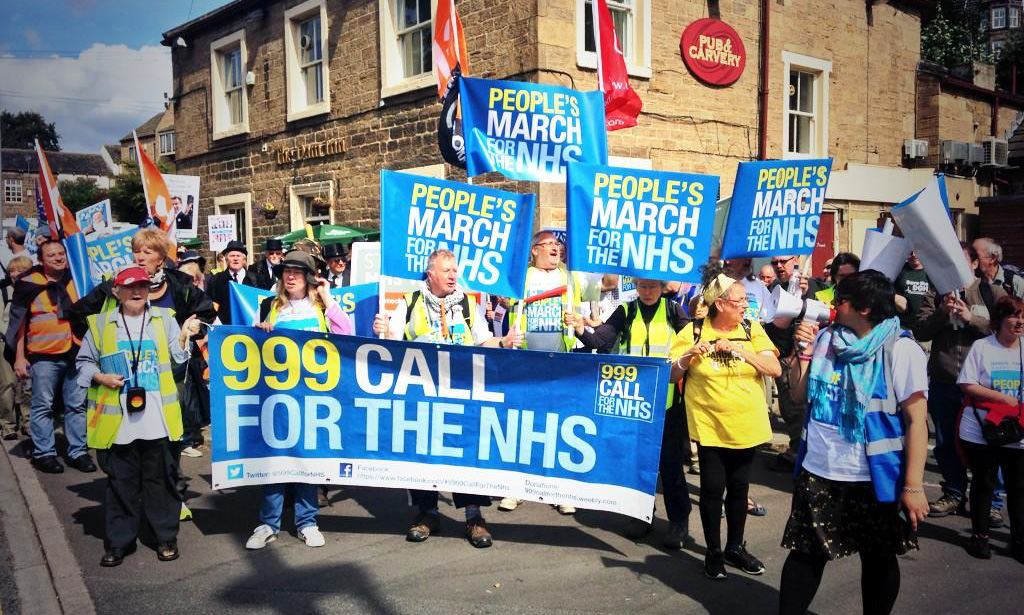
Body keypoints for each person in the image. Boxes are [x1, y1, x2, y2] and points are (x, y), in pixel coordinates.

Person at [778, 270, 929, 615]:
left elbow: (917, 421)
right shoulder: (827, 337)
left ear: (863, 308)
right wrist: (802, 351)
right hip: (819, 470)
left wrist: (913, 486)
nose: (832, 303)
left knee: (878, 559)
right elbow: (800, 396)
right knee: (804, 555)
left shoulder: (901, 350)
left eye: (840, 298)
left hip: (872, 478)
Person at [373, 249, 522, 548]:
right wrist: (382, 331)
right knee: (423, 455)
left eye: (455, 270)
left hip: (462, 393)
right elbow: (392, 343)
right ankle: (427, 514)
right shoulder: (409, 302)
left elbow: (484, 341)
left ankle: (474, 517)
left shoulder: (467, 303)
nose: (454, 275)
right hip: (422, 393)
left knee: (465, 453)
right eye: (447, 270)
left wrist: (503, 341)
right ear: (431, 274)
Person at [77, 265, 198, 566]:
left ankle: (165, 538)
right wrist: (101, 377)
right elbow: (82, 364)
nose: (136, 292)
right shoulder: (100, 324)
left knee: (161, 484)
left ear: (149, 290)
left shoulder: (164, 319)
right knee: (121, 485)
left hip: (157, 419)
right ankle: (120, 543)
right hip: (118, 422)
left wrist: (184, 336)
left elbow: (178, 357)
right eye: (130, 287)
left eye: (142, 287)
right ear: (116, 292)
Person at [669, 272, 781, 579]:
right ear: (720, 303)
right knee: (712, 490)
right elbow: (671, 375)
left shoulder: (751, 328)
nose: (746, 304)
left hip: (747, 425)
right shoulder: (693, 330)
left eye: (746, 299)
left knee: (739, 490)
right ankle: (714, 552)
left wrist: (740, 351)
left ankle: (735, 548)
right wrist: (690, 354)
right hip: (711, 426)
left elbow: (774, 368)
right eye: (740, 300)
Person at [567, 278, 691, 548]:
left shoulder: (673, 311)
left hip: (667, 403)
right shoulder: (627, 310)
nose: (647, 292)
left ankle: (679, 522)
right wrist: (579, 329)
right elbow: (601, 340)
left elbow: (691, 343)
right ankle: (642, 516)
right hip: (634, 403)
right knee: (639, 464)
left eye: (652, 287)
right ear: (636, 286)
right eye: (643, 287)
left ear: (661, 288)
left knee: (670, 468)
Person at [245, 250, 353, 550]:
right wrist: (260, 333)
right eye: (285, 271)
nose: (290, 276)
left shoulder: (320, 307)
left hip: (313, 398)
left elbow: (346, 333)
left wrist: (327, 297)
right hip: (277, 399)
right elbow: (248, 349)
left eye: (297, 271)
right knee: (275, 463)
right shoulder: (268, 306)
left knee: (307, 461)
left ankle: (307, 522)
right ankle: (268, 523)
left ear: (308, 277)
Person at [913, 243, 1004, 522]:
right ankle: (954, 492)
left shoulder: (992, 292)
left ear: (975, 264)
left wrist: (971, 318)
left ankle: (993, 500)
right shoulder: (936, 293)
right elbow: (921, 329)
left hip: (982, 385)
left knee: (989, 443)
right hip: (945, 380)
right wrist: (942, 312)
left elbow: (1007, 332)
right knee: (945, 443)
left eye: (962, 261)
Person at [500, 231, 587, 514]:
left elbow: (608, 285)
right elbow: (502, 299)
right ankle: (517, 488)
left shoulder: (571, 277)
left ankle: (564, 491)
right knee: (523, 425)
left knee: (562, 426)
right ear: (535, 250)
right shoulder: (520, 276)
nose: (556, 248)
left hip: (562, 362)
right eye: (549, 244)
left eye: (557, 245)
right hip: (525, 362)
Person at [5, 241, 94, 474]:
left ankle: (78, 451)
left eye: (61, 253)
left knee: (76, 405)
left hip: (76, 353)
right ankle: (44, 453)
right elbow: (19, 324)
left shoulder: (78, 279)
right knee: (42, 406)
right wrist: (19, 357)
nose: (58, 258)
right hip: (43, 356)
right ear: (41, 260)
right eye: (52, 255)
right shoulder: (29, 284)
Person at [956, 295, 1024, 562]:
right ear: (999, 320)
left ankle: (1019, 541)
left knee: (1019, 486)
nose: (1019, 322)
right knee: (984, 483)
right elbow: (967, 384)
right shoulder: (982, 347)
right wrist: (1003, 399)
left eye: (1022, 316)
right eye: (1013, 316)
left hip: (1017, 430)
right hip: (982, 428)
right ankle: (980, 537)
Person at [764, 254, 828, 471]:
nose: (779, 266)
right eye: (775, 263)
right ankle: (796, 450)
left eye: (783, 261)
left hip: (810, 360)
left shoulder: (817, 287)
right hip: (783, 359)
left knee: (802, 409)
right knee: (789, 409)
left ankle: (803, 455)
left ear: (797, 261)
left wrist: (805, 292)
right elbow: (771, 325)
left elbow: (827, 317)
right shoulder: (775, 289)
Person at [0, 256, 33, 440]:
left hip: (30, 344)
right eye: (11, 271)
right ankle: (7, 424)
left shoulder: (34, 292)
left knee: (27, 385)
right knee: (8, 384)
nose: (14, 274)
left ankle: (28, 422)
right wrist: (14, 338)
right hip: (5, 344)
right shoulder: (4, 292)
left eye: (19, 270)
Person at [208, 240, 257, 324]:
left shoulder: (255, 279)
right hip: (225, 326)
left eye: (238, 256)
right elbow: (211, 304)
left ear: (244, 259)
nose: (235, 259)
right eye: (232, 256)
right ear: (226, 259)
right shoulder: (216, 279)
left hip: (250, 326)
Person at [894, 251, 932, 330]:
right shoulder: (897, 270)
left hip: (927, 328)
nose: (914, 255)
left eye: (917, 251)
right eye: (910, 252)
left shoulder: (933, 271)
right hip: (902, 328)